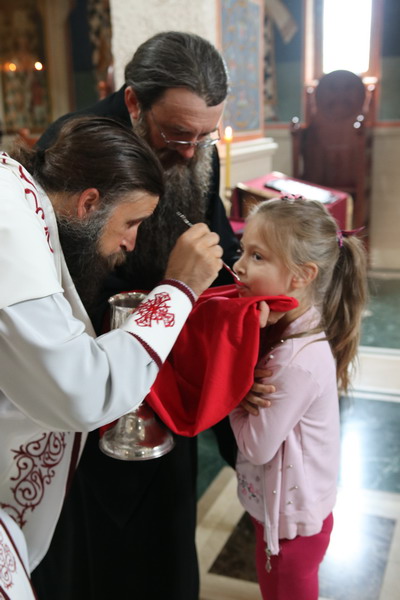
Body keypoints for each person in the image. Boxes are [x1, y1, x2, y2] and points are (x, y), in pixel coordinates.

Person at [32, 31, 273, 600]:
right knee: (99, 558)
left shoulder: (196, 147)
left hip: (170, 376)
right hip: (97, 389)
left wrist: (243, 315)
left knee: (166, 544)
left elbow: (214, 239)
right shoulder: (75, 150)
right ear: (134, 102)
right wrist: (173, 288)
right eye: (177, 134)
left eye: (204, 135)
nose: (190, 151)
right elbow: (60, 295)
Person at [0, 115, 223, 596]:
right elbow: (83, 391)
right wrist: (179, 288)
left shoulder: (18, 198)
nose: (131, 242)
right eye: (131, 222)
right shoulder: (10, 232)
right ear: (88, 203)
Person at [229, 197, 368, 600]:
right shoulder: (289, 326)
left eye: (257, 256)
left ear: (301, 276)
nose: (239, 266)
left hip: (293, 527)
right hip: (278, 512)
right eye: (242, 250)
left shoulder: (296, 360)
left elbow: (256, 445)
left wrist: (231, 392)